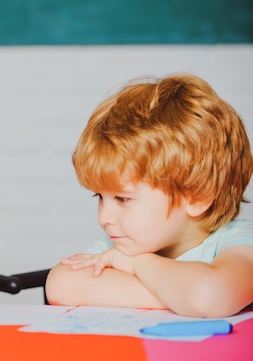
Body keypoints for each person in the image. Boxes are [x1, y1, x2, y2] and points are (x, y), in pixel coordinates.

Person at [45, 74, 253, 318]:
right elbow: (61, 283)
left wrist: (137, 264)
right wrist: (180, 297)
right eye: (100, 197)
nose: (105, 218)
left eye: (122, 199)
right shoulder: (120, 243)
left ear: (198, 196)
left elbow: (210, 296)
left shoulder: (237, 241)